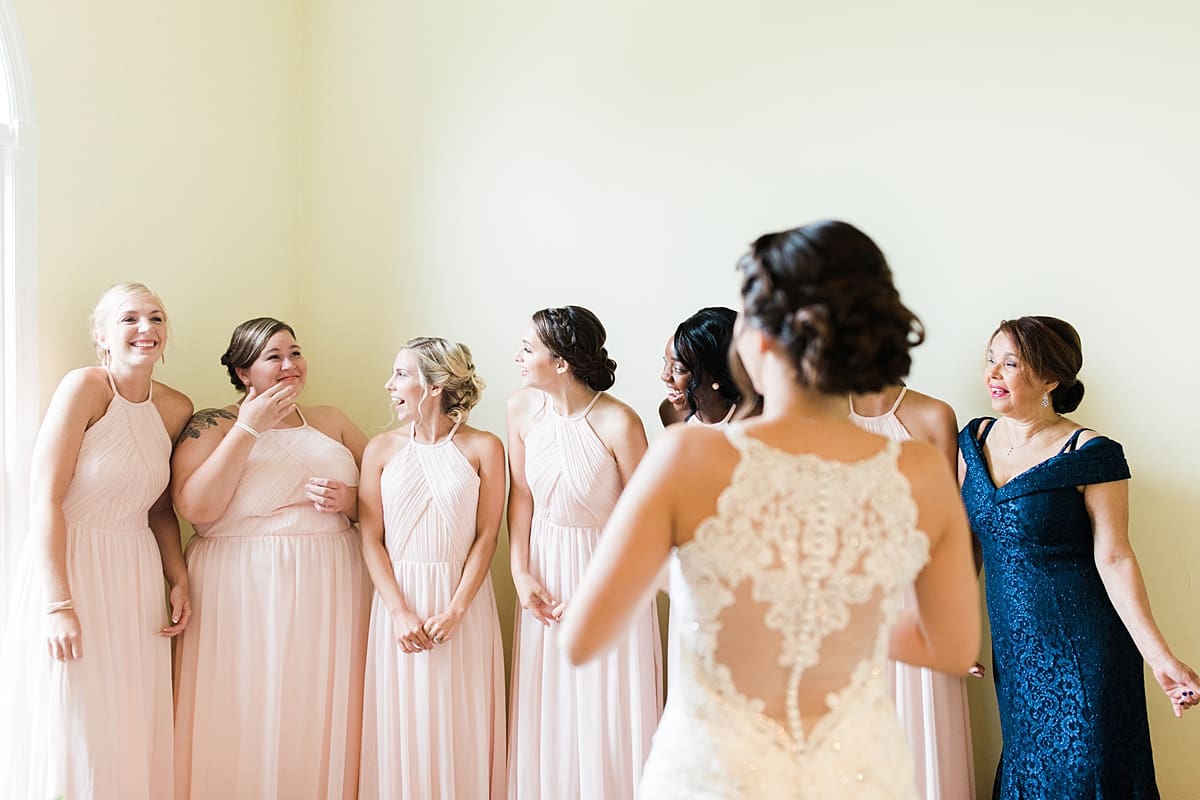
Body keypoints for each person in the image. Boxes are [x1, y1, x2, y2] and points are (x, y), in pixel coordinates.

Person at [560, 221, 981, 799]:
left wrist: (717, 588)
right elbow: (953, 649)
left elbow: (580, 638)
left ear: (755, 340)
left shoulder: (688, 454)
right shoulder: (920, 471)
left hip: (717, 774)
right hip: (858, 775)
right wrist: (832, 613)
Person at [958, 316, 1200, 798]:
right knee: (1034, 770)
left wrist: (1161, 658)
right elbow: (966, 547)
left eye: (1011, 364)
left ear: (1050, 378)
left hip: (1086, 645)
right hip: (1017, 653)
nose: (993, 374)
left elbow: (1115, 558)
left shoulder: (1092, 453)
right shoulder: (973, 440)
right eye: (991, 360)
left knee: (1088, 770)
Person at [0, 282, 193, 799]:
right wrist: (58, 602)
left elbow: (159, 508)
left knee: (128, 716)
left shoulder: (176, 408)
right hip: (73, 565)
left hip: (133, 572)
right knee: (75, 715)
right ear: (102, 336)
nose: (146, 329)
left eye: (156, 317)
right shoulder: (85, 387)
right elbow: (45, 499)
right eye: (129, 319)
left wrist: (178, 578)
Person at [171, 317, 370, 800]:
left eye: (296, 353)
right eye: (273, 356)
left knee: (318, 702)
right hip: (243, 580)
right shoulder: (211, 424)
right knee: (247, 702)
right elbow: (195, 509)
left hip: (332, 579)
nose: (289, 365)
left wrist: (349, 499)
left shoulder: (331, 419)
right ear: (243, 372)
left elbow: (384, 496)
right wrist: (248, 427)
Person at [507, 305, 662, 800]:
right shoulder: (520, 410)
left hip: (609, 574)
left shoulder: (620, 422)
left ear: (561, 364)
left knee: (607, 707)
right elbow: (521, 499)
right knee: (551, 705)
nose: (518, 357)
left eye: (528, 349)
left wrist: (597, 591)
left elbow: (644, 520)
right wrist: (520, 573)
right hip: (545, 577)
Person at [358, 337, 506, 799]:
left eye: (401, 375)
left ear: (436, 384)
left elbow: (487, 536)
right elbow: (371, 538)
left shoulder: (485, 447)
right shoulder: (380, 449)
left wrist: (458, 610)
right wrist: (400, 612)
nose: (389, 384)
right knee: (402, 722)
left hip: (461, 604)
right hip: (397, 603)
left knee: (459, 717)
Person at [850, 384, 977, 800]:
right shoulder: (819, 413)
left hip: (917, 599)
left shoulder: (934, 415)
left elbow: (953, 530)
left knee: (922, 735)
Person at [658, 307, 742, 427]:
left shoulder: (751, 420)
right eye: (666, 361)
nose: (665, 376)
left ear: (717, 376)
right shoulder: (670, 413)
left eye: (678, 369)